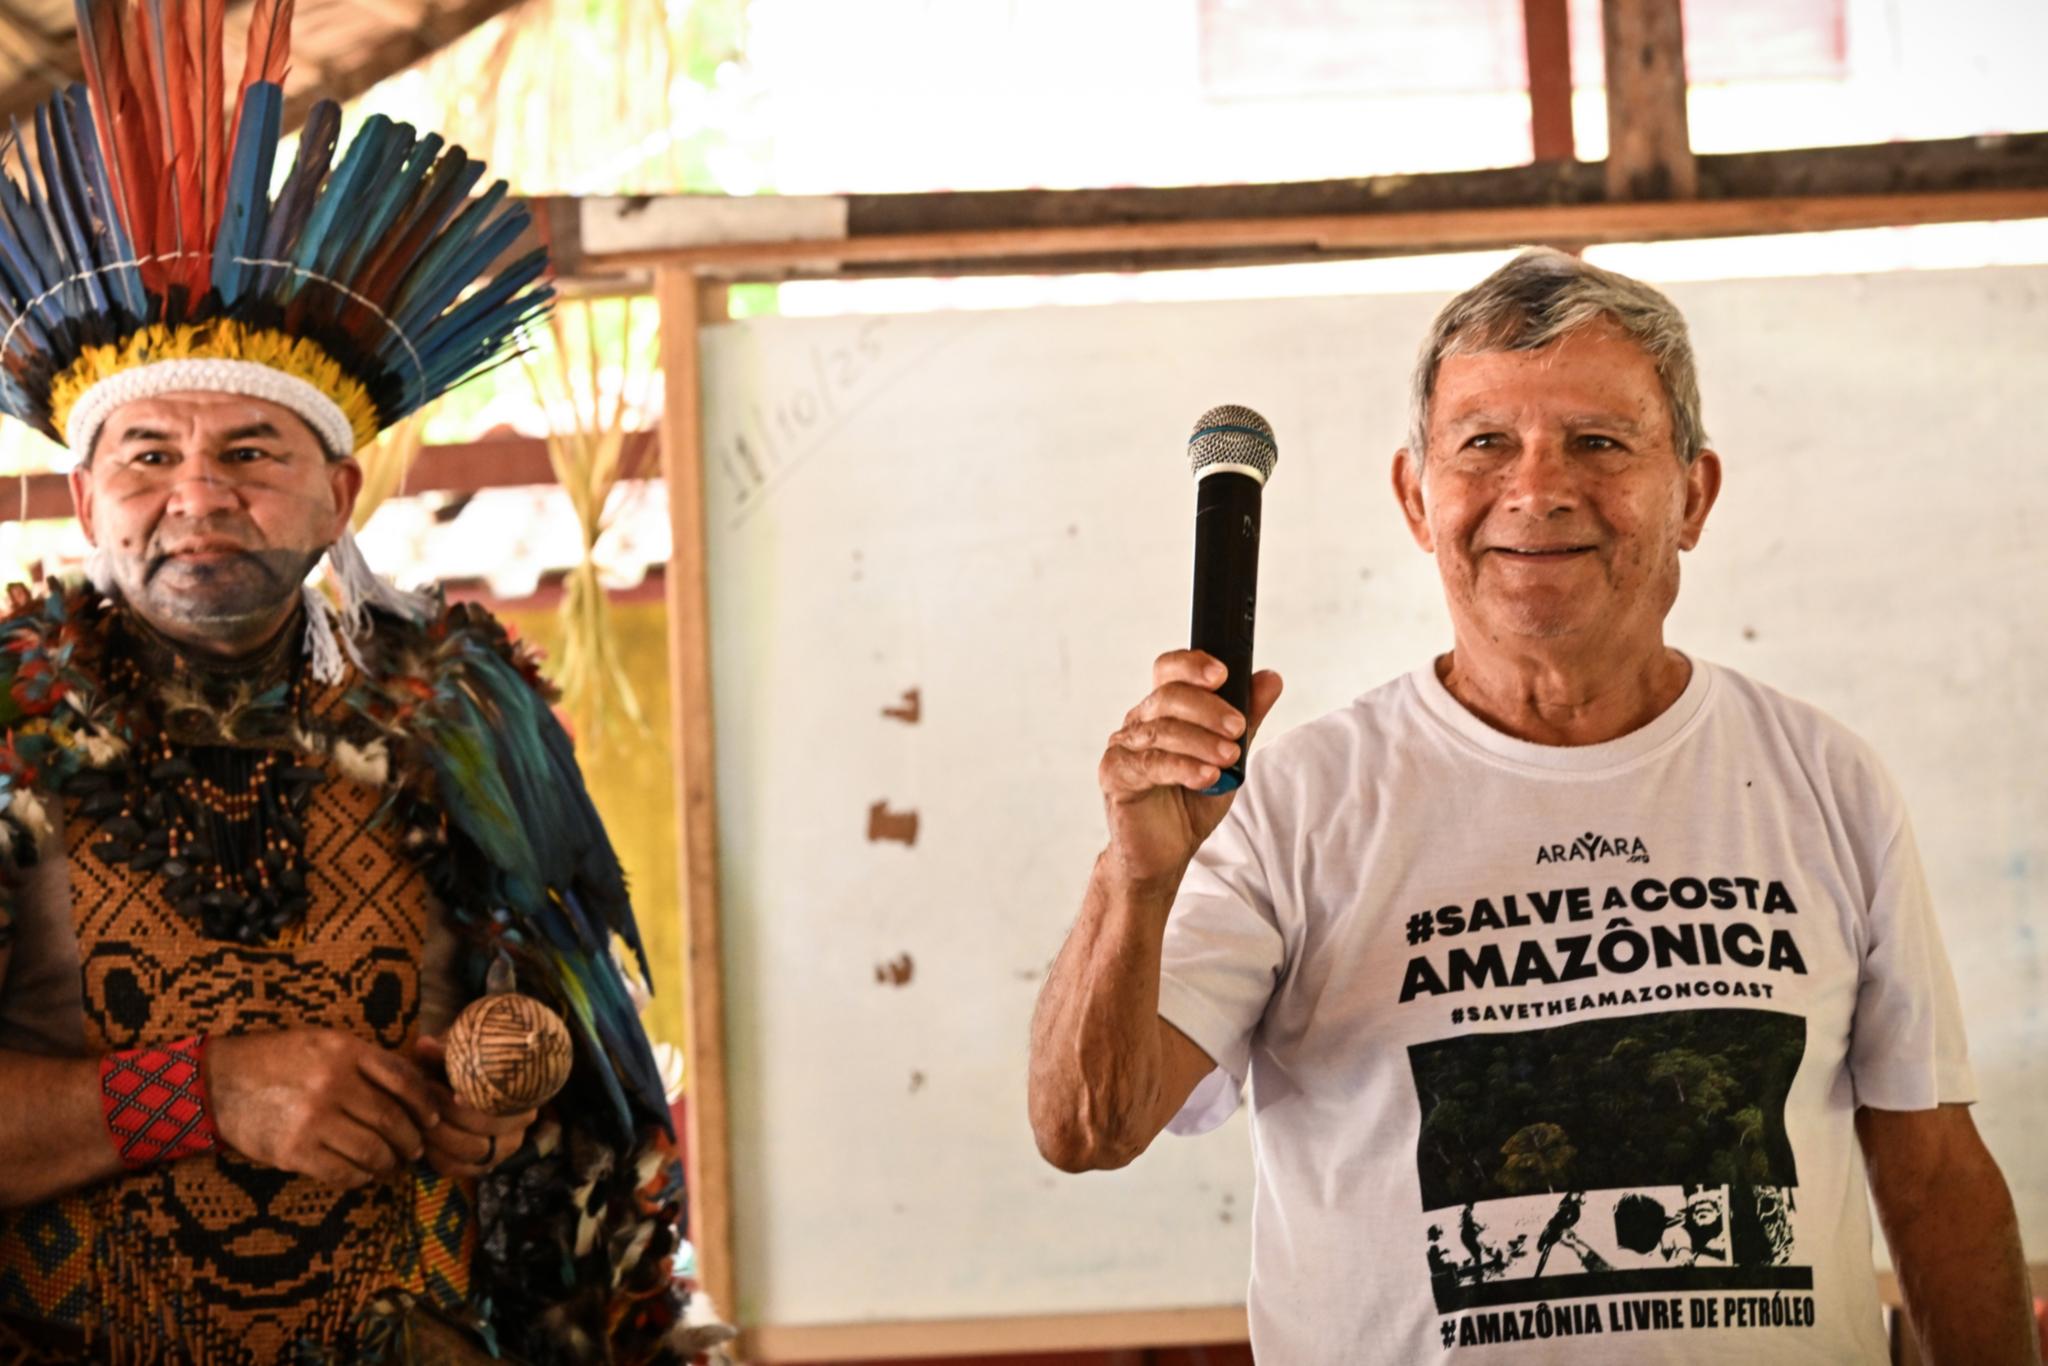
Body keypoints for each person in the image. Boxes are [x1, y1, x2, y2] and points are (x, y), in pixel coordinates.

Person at [1028, 247, 2037, 1364]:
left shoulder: (1823, 780)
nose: (1537, 489)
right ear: (1416, 499)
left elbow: (1932, 1172)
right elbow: (1088, 1127)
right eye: (1483, 445)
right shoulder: (1297, 803)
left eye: (1598, 442)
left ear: (1692, 494)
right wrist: (1134, 880)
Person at [0, 3, 717, 1360]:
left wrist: (500, 1096)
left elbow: (589, 1091)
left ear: (337, 493)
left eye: (251, 451)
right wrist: (200, 1093)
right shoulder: (6, 724)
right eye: (147, 455)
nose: (197, 494)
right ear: (87, 499)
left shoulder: (462, 711)